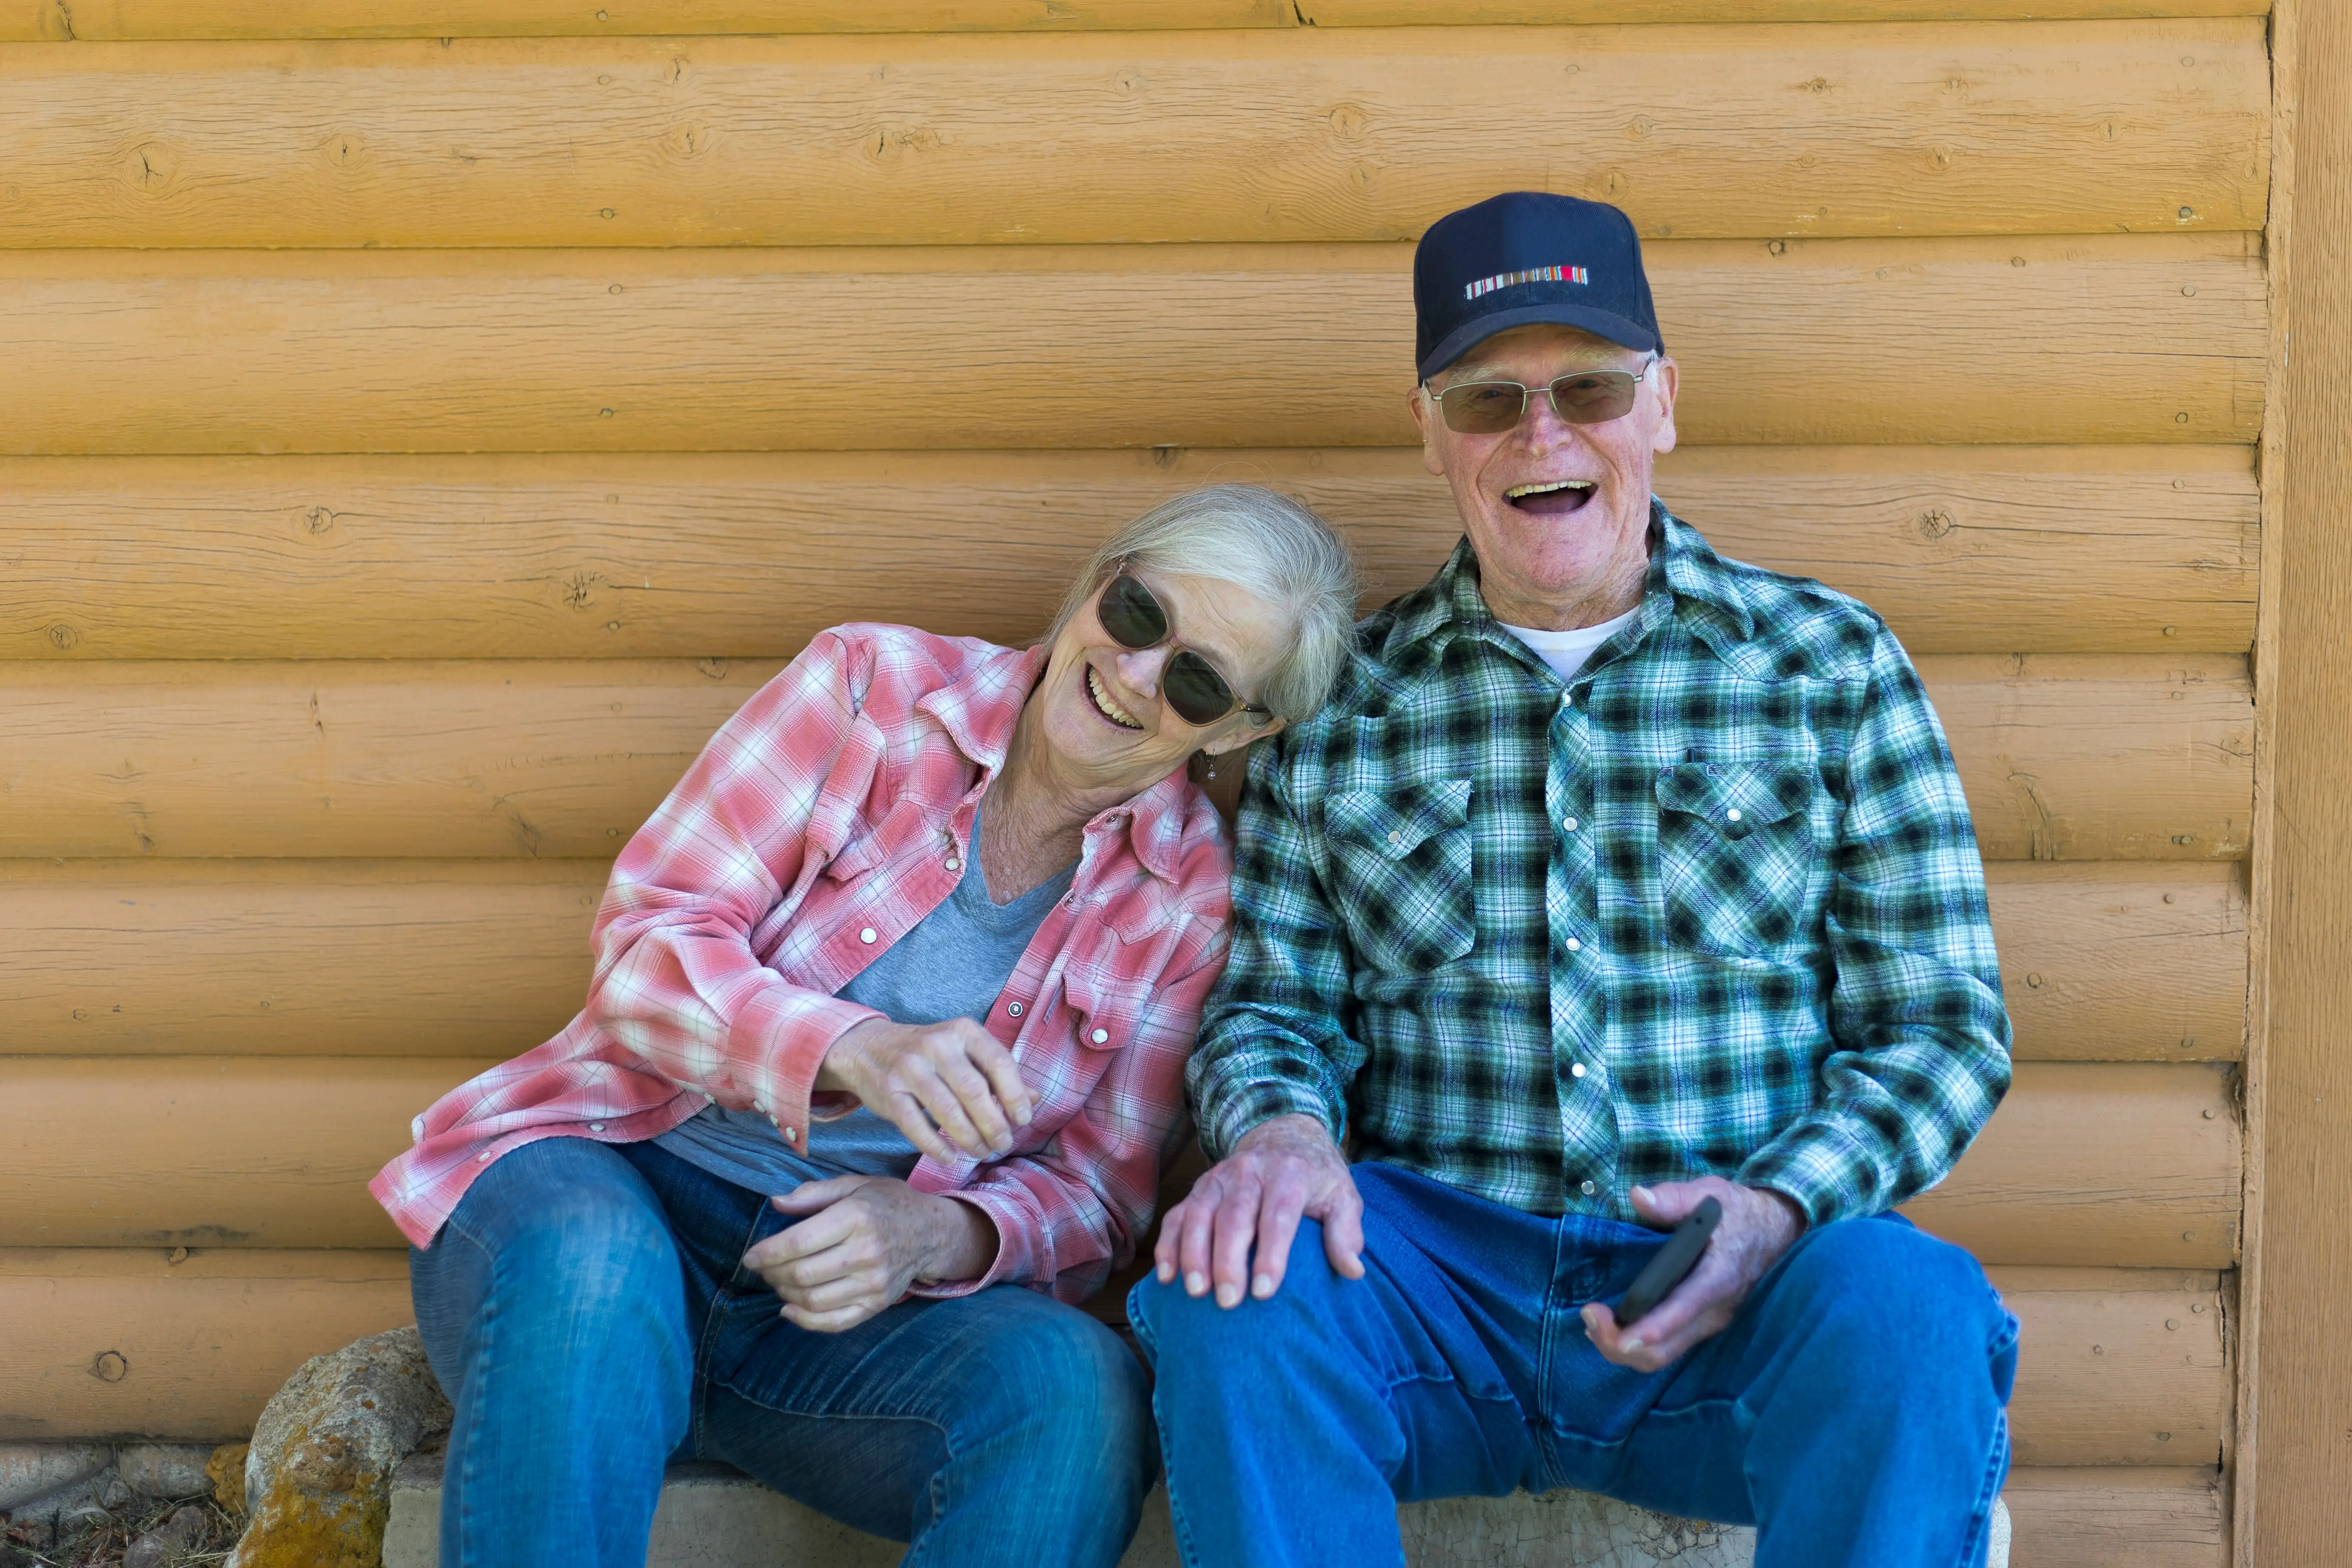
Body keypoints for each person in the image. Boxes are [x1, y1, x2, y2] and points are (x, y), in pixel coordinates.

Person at [1130, 193, 2018, 1568]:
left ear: (1662, 403)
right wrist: (1283, 1136)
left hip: (1735, 1298)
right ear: (1432, 428)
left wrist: (1775, 1209)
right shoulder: (1346, 700)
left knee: (1911, 1306)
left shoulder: (1829, 667)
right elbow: (1270, 1012)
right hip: (1433, 1300)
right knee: (1230, 1282)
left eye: (1589, 388)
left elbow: (1942, 1029)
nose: (1541, 435)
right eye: (1489, 399)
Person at [369, 484, 1358, 1568]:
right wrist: (851, 1046)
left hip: (837, 1325)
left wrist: (932, 1233)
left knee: (1080, 1396)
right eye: (1138, 615)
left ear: (1245, 728)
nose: (1133, 674)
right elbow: (648, 951)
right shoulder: (870, 688)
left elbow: (1095, 1196)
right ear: (1101, 580)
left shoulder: (1187, 901)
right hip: (608, 1184)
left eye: (1195, 681)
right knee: (593, 1267)